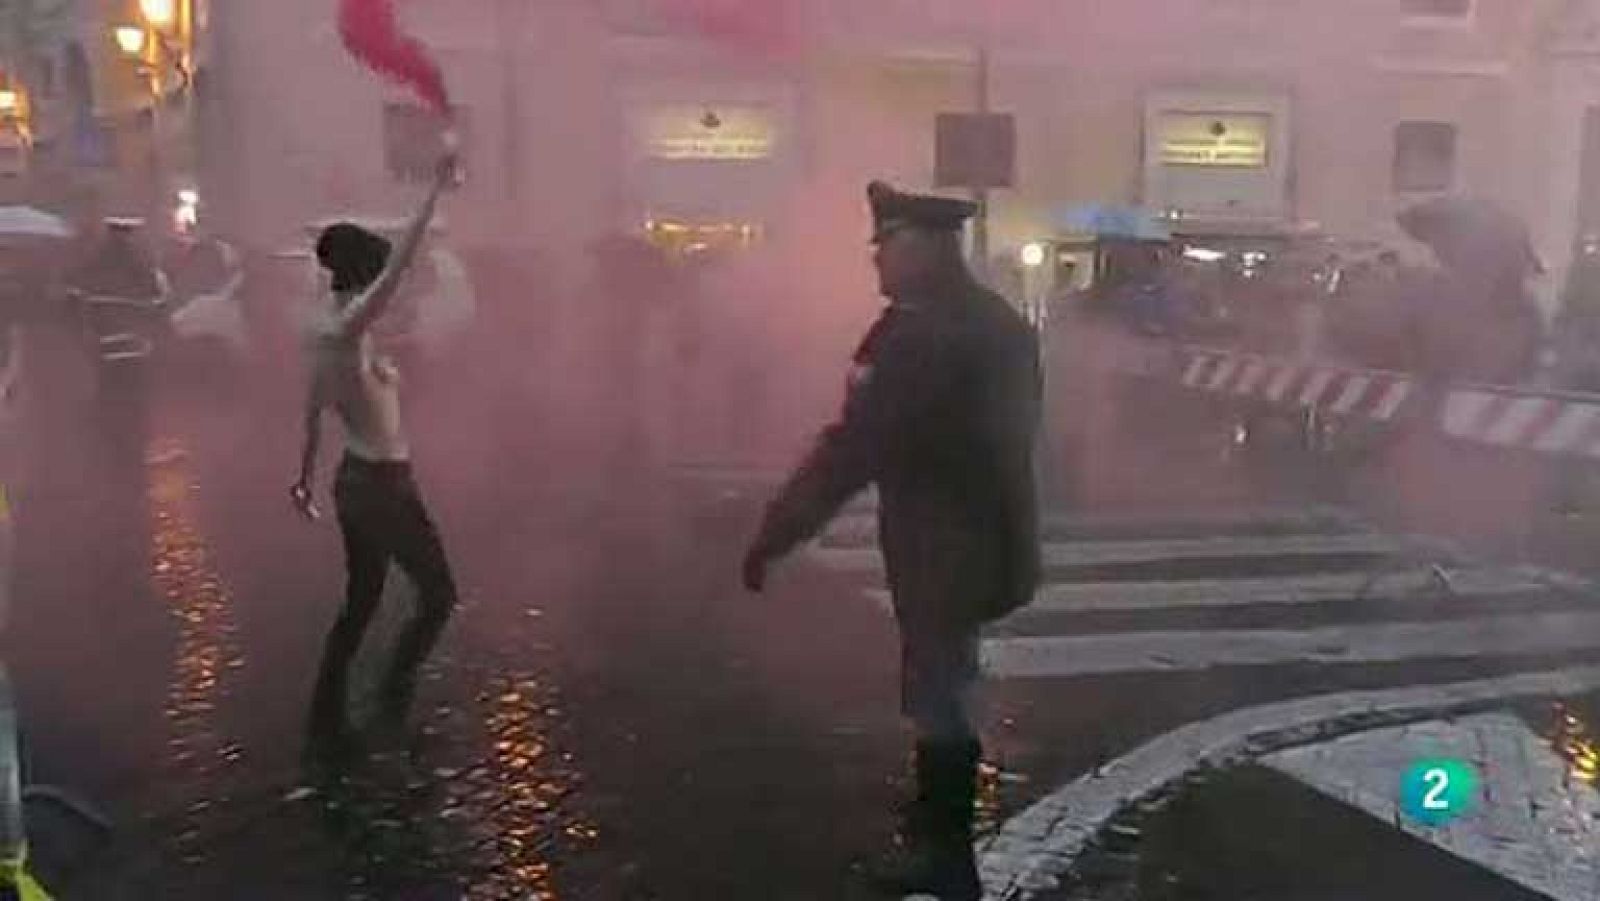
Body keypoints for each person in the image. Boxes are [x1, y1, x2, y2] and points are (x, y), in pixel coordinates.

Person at [741, 181, 1042, 900]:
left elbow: (856, 446)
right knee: (942, 683)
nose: (875, 261)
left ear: (923, 246)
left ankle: (948, 861)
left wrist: (777, 530)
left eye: (885, 245)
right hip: (986, 536)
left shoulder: (925, 335)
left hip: (941, 542)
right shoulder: (996, 322)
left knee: (939, 693)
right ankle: (938, 839)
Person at [292, 141, 459, 761]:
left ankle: (326, 711)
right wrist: (435, 189)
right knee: (439, 594)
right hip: (384, 485)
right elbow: (402, 267)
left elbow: (311, 411)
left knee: (361, 603)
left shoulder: (323, 331)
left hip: (353, 481)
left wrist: (303, 480)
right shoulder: (350, 327)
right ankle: (392, 693)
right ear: (365, 275)